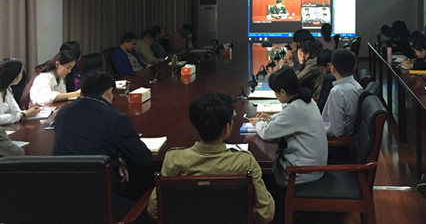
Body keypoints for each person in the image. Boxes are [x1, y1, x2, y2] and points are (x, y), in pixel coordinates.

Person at [147, 92, 275, 223]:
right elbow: (266, 213)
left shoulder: (174, 159)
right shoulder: (244, 161)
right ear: (226, 128)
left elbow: (154, 210)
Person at [53, 71, 153, 220]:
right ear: (108, 92)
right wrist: (118, 159)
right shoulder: (116, 119)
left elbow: (82, 146)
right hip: (104, 203)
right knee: (153, 210)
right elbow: (144, 160)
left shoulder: (63, 113)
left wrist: (114, 159)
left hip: (62, 201)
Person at [250, 66, 327, 188]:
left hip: (303, 172)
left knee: (262, 174)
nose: (275, 95)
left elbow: (266, 133)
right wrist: (272, 118)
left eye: (275, 92)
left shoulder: (295, 109)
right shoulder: (306, 100)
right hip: (314, 166)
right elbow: (287, 117)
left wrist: (258, 122)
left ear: (282, 92)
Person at [322, 49, 363, 137]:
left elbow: (336, 131)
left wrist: (317, 131)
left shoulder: (337, 92)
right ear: (354, 68)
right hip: (346, 133)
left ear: (332, 68)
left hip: (336, 139)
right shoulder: (358, 87)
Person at [0, 58, 40, 124]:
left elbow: (16, 112)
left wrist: (29, 112)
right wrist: (23, 115)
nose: (22, 75)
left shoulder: (8, 89)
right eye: (21, 72)